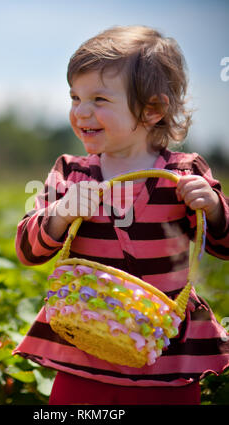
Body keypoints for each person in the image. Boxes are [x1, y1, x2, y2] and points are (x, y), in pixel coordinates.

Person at [12, 26, 229, 405]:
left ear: (152, 109)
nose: (81, 111)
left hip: (166, 359)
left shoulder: (184, 173)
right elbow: (29, 251)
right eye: (75, 96)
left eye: (98, 98)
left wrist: (212, 207)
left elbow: (224, 246)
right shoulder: (71, 172)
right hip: (84, 350)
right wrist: (60, 213)